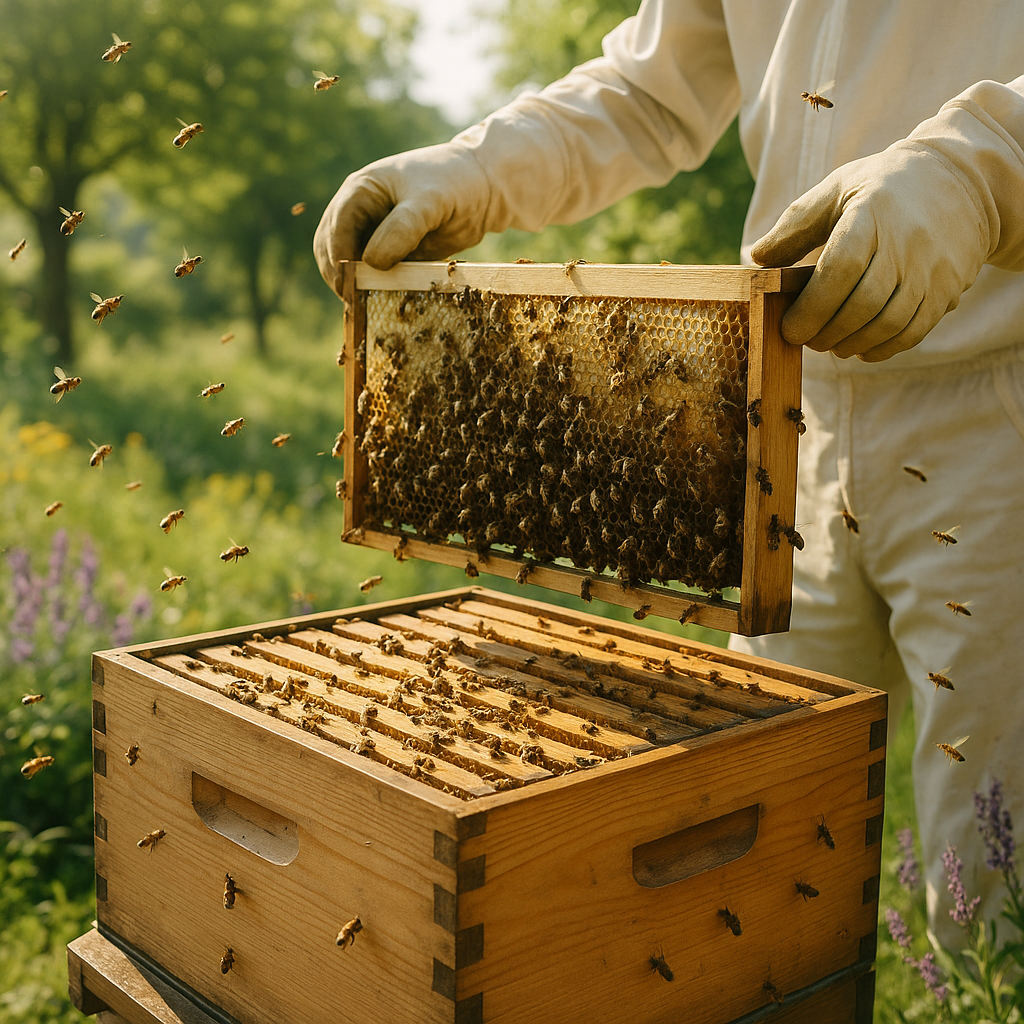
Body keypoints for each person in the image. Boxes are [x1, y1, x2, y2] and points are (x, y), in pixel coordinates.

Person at [315, 0, 1024, 949]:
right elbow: (650, 90)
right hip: (781, 416)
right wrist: (473, 169)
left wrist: (984, 169)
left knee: (998, 882)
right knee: (751, 853)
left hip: (999, 408)